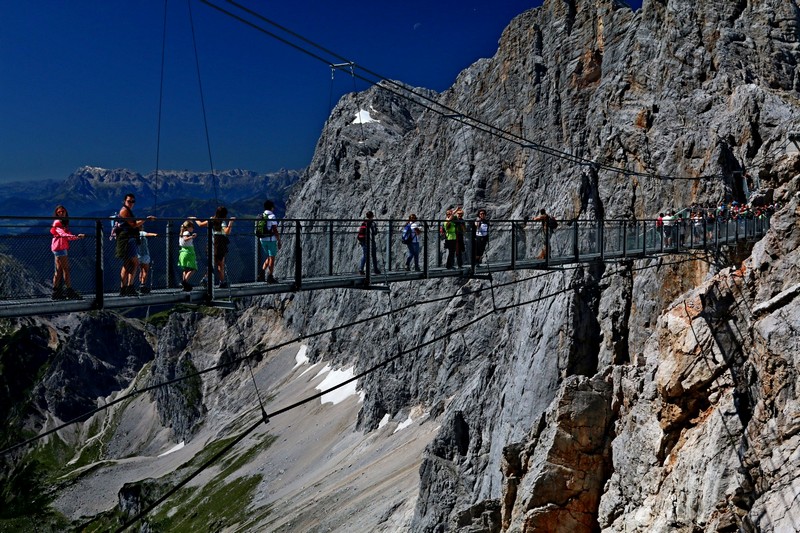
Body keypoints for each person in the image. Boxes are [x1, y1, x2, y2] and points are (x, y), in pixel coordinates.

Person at [116, 193, 154, 296]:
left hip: (127, 239)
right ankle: (129, 286)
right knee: (134, 263)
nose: (131, 203)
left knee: (127, 264)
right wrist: (145, 220)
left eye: (133, 201)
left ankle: (123, 288)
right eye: (129, 201)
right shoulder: (124, 211)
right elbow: (133, 225)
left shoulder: (127, 210)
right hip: (127, 239)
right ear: (125, 201)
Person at [194, 206, 235, 288]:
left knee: (212, 263)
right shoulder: (222, 222)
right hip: (220, 244)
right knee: (221, 265)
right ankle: (222, 282)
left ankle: (205, 279)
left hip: (212, 243)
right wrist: (231, 223)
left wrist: (195, 219)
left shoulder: (211, 220)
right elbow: (227, 232)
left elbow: (201, 225)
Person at [50, 205, 85, 300]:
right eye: (59, 212)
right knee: (66, 269)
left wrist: (76, 237)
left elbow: (67, 235)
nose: (61, 213)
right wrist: (77, 236)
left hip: (59, 247)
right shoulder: (58, 222)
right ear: (57, 213)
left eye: (63, 211)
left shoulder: (62, 222)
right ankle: (69, 291)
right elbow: (64, 234)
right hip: (60, 248)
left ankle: (56, 291)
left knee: (59, 270)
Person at [257, 200, 282, 283]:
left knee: (269, 256)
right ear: (271, 207)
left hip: (262, 239)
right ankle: (270, 277)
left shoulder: (261, 216)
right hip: (271, 240)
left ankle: (261, 274)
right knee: (272, 258)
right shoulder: (272, 216)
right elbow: (275, 229)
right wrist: (278, 240)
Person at [357, 211, 381, 275]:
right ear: (372, 216)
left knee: (365, 255)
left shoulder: (364, 222)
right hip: (370, 240)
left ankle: (361, 269)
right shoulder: (372, 223)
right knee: (373, 255)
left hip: (363, 240)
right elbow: (374, 233)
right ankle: (375, 269)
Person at [178, 220, 198, 291]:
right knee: (193, 268)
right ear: (188, 227)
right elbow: (185, 239)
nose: (193, 228)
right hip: (189, 252)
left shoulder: (181, 233)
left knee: (185, 269)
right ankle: (184, 282)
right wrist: (192, 237)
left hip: (182, 252)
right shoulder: (186, 233)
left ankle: (185, 286)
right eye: (192, 227)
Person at [137, 229, 158, 294]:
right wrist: (154, 234)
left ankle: (140, 284)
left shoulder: (134, 234)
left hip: (138, 255)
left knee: (141, 270)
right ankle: (143, 285)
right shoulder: (141, 232)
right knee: (145, 270)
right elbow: (147, 234)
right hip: (145, 254)